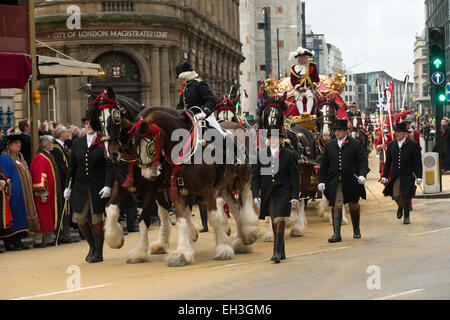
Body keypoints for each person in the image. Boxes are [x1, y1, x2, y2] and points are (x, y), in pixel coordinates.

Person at [64, 114, 113, 263]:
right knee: (80, 217)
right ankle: (92, 246)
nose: (88, 126)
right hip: (80, 186)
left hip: (98, 186)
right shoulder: (77, 143)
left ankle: (99, 252)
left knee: (97, 218)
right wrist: (68, 187)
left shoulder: (103, 142)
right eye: (86, 123)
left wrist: (108, 185)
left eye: (91, 123)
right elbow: (72, 167)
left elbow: (109, 165)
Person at [175, 61, 244, 165]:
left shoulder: (199, 84)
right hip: (190, 117)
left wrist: (204, 113)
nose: (180, 80)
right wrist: (178, 113)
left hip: (204, 116)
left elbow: (210, 100)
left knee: (220, 133)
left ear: (185, 76)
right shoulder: (185, 88)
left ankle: (239, 155)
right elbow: (180, 105)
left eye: (180, 77)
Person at [251, 126, 299, 263]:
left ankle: (276, 252)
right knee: (274, 220)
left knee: (279, 219)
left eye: (276, 138)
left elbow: (295, 178)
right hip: (268, 193)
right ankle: (282, 250)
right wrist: (255, 195)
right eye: (271, 138)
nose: (273, 140)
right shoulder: (261, 155)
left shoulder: (289, 155)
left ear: (281, 140)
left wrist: (295, 195)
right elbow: (255, 177)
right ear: (268, 140)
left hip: (284, 192)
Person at [318, 119, 370, 242]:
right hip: (335, 181)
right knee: (336, 204)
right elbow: (324, 165)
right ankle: (337, 234)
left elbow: (363, 161)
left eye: (339, 130)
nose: (336, 133)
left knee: (354, 204)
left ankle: (356, 229)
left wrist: (363, 175)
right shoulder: (329, 145)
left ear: (346, 131)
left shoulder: (356, 144)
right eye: (335, 130)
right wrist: (321, 181)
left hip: (352, 181)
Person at [0, 132, 40, 251]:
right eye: (16, 143)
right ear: (9, 145)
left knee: (20, 217)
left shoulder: (20, 156)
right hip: (12, 194)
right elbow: (5, 175)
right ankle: (10, 241)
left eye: (19, 143)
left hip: (23, 194)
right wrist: (8, 191)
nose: (19, 146)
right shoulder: (4, 157)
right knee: (13, 217)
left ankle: (18, 240)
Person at [381, 122, 423, 225]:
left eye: (399, 132)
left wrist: (419, 176)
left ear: (405, 133)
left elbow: (417, 162)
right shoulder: (391, 144)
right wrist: (385, 175)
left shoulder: (413, 145)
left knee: (406, 195)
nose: (397, 134)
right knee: (395, 195)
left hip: (408, 174)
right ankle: (400, 206)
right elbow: (388, 162)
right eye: (396, 132)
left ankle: (407, 216)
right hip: (396, 174)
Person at [30, 135, 62, 248]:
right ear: (46, 144)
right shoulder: (40, 157)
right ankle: (38, 239)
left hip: (51, 193)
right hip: (43, 194)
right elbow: (39, 176)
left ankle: (48, 238)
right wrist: (43, 193)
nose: (52, 144)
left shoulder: (47, 155)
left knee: (48, 216)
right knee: (42, 216)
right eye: (51, 142)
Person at [51, 126, 79, 243]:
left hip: (69, 181)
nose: (68, 133)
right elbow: (62, 166)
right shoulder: (56, 148)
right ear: (61, 134)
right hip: (63, 182)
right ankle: (63, 234)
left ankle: (67, 233)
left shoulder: (64, 147)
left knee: (69, 209)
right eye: (66, 132)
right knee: (64, 209)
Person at [289, 47, 320, 115]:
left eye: (304, 57)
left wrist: (314, 85)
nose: (303, 59)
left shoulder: (312, 66)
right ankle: (301, 114)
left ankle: (308, 114)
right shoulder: (294, 68)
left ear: (307, 58)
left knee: (310, 96)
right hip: (299, 89)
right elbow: (293, 80)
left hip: (309, 88)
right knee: (298, 97)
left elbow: (316, 78)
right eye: (301, 57)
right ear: (299, 58)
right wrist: (299, 87)